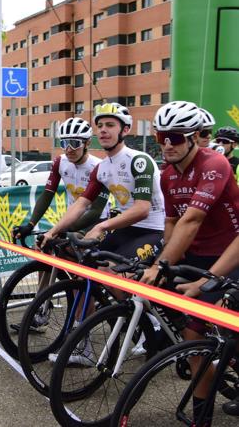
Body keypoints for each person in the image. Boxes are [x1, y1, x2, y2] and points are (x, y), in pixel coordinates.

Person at [41, 102, 165, 364]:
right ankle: (84, 348)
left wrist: (101, 226)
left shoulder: (139, 161)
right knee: (85, 271)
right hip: (125, 228)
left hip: (152, 229)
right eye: (100, 125)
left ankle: (151, 324)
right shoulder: (103, 168)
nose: (104, 130)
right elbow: (82, 204)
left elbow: (142, 209)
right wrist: (55, 230)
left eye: (110, 125)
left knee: (110, 274)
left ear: (125, 129)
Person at [139, 101, 239, 425]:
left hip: (232, 251)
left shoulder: (215, 163)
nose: (167, 144)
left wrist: (161, 265)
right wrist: (160, 261)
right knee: (192, 337)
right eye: (161, 137)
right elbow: (172, 224)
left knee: (208, 329)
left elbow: (193, 219)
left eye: (176, 138)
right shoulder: (167, 175)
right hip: (198, 253)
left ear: (195, 137)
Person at [11, 117, 108, 332]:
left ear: (87, 144)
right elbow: (47, 195)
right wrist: (31, 223)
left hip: (97, 221)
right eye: (64, 143)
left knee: (80, 266)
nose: (69, 149)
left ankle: (89, 310)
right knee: (46, 251)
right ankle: (41, 311)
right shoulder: (60, 162)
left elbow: (95, 210)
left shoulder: (98, 167)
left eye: (75, 142)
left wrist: (63, 230)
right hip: (73, 219)